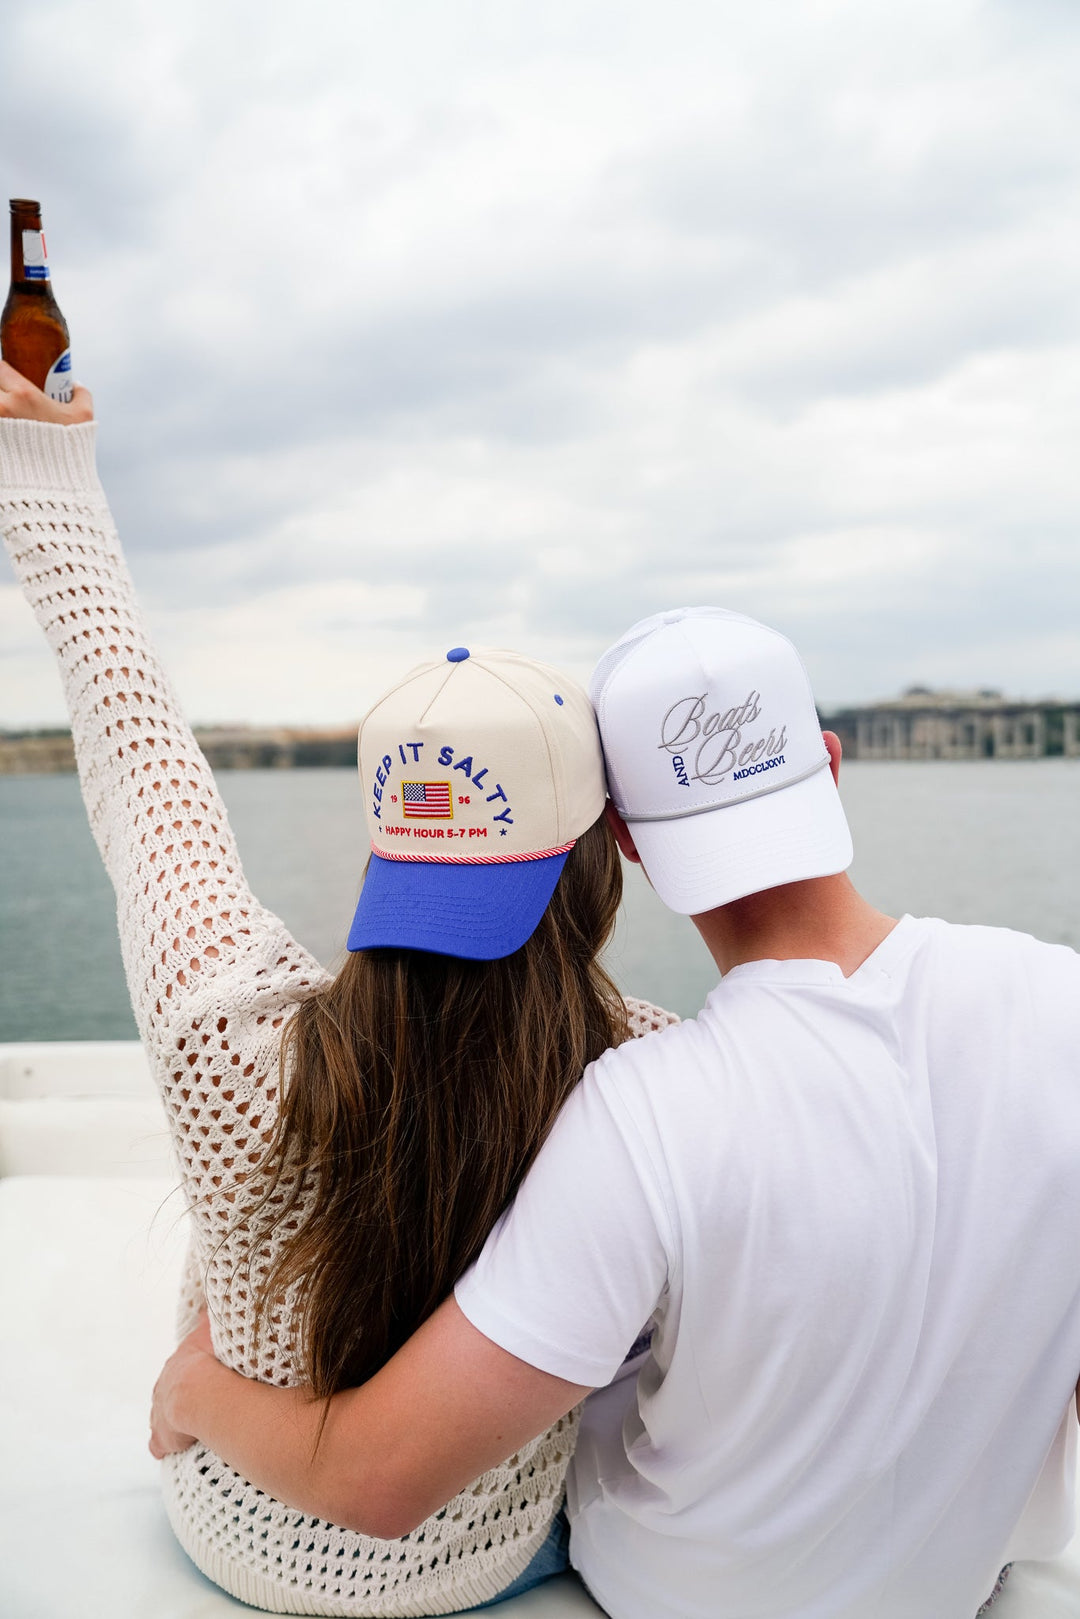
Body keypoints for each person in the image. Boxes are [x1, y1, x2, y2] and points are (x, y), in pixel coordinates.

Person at [148, 605, 1080, 1619]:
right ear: (829, 761)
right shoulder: (1059, 1000)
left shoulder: (647, 1107)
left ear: (625, 839)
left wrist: (198, 1390)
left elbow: (379, 1477)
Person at [0, 365, 677, 1615]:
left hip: (227, 1528)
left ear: (385, 846)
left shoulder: (227, 1032)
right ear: (600, 859)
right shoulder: (656, 1079)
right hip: (489, 1556)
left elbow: (139, 757)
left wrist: (52, 471)